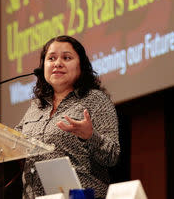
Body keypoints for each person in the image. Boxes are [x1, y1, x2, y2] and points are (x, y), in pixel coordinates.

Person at [15, 35, 120, 199]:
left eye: (66, 58)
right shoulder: (36, 107)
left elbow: (112, 155)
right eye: (51, 58)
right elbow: (12, 141)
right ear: (44, 67)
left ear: (81, 66)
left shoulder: (95, 100)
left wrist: (91, 136)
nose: (57, 63)